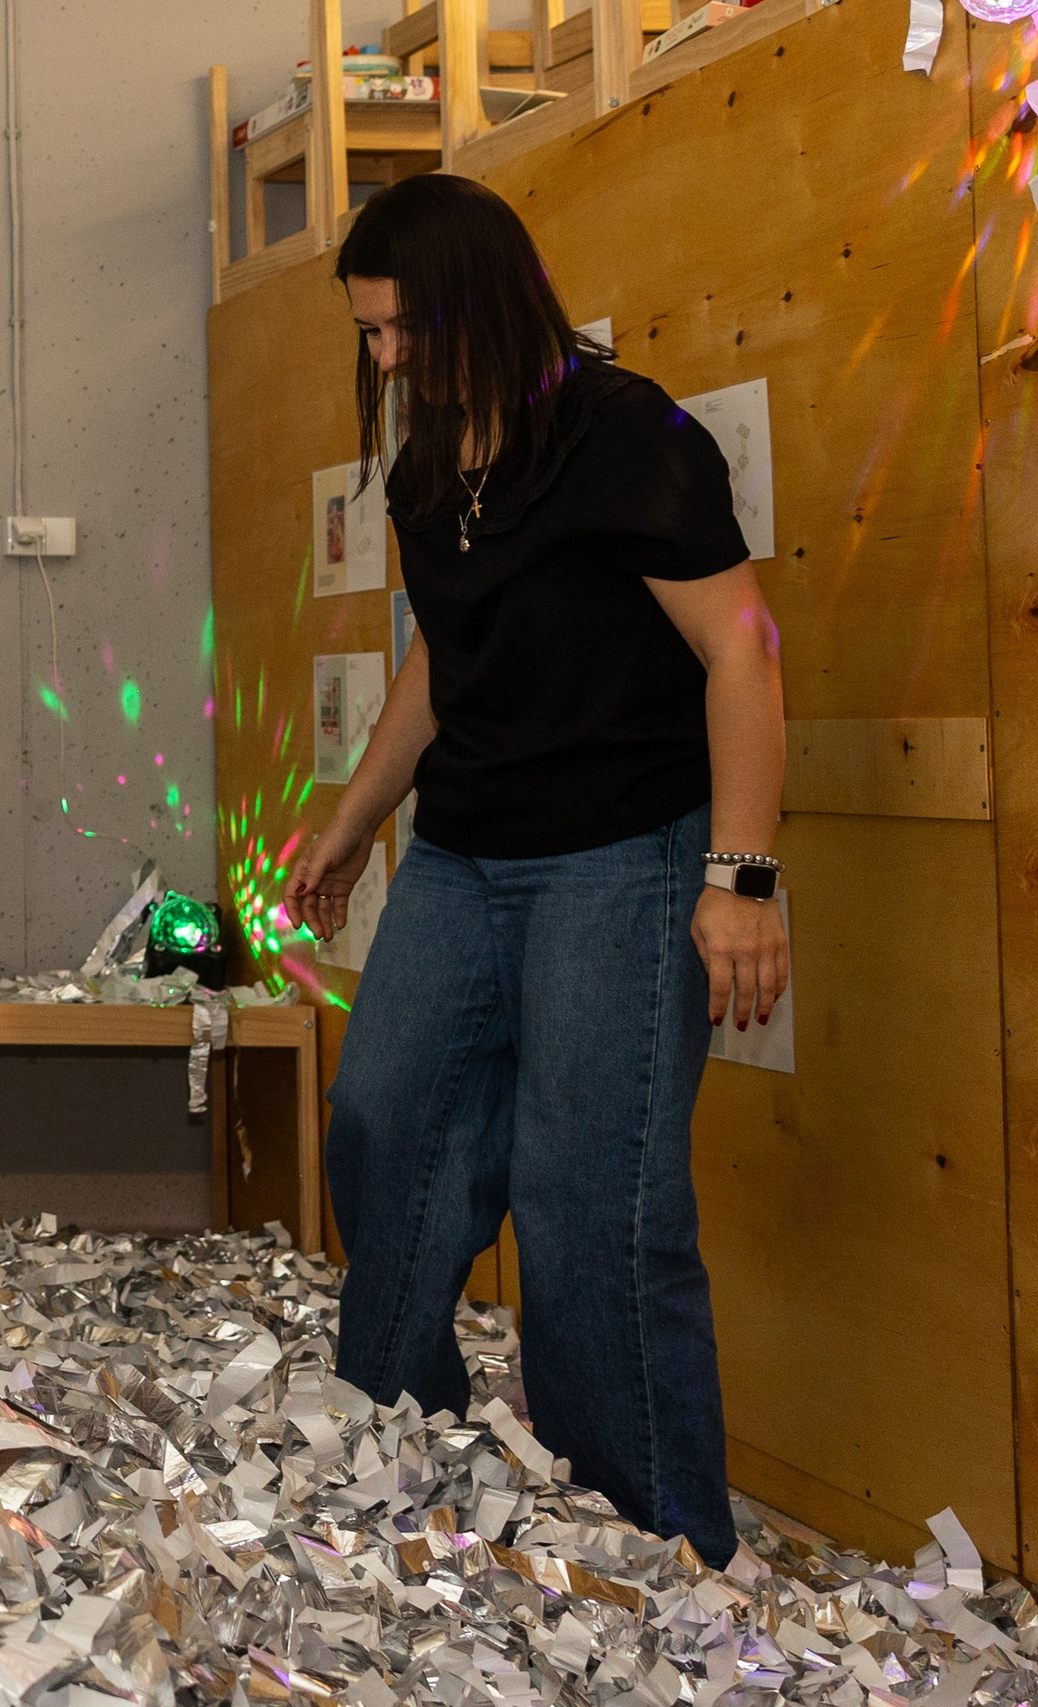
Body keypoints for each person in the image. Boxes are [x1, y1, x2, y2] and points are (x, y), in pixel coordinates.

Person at [284, 173, 786, 1572]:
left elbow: (745, 648)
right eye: (367, 336)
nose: (383, 361)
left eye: (397, 332)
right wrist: (350, 818)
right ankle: (406, 1443)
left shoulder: (630, 437)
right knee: (383, 1118)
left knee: (590, 1198)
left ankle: (658, 1545)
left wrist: (739, 875)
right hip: (462, 854)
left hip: (623, 859)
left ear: (475, 306)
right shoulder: (433, 457)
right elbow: (444, 657)